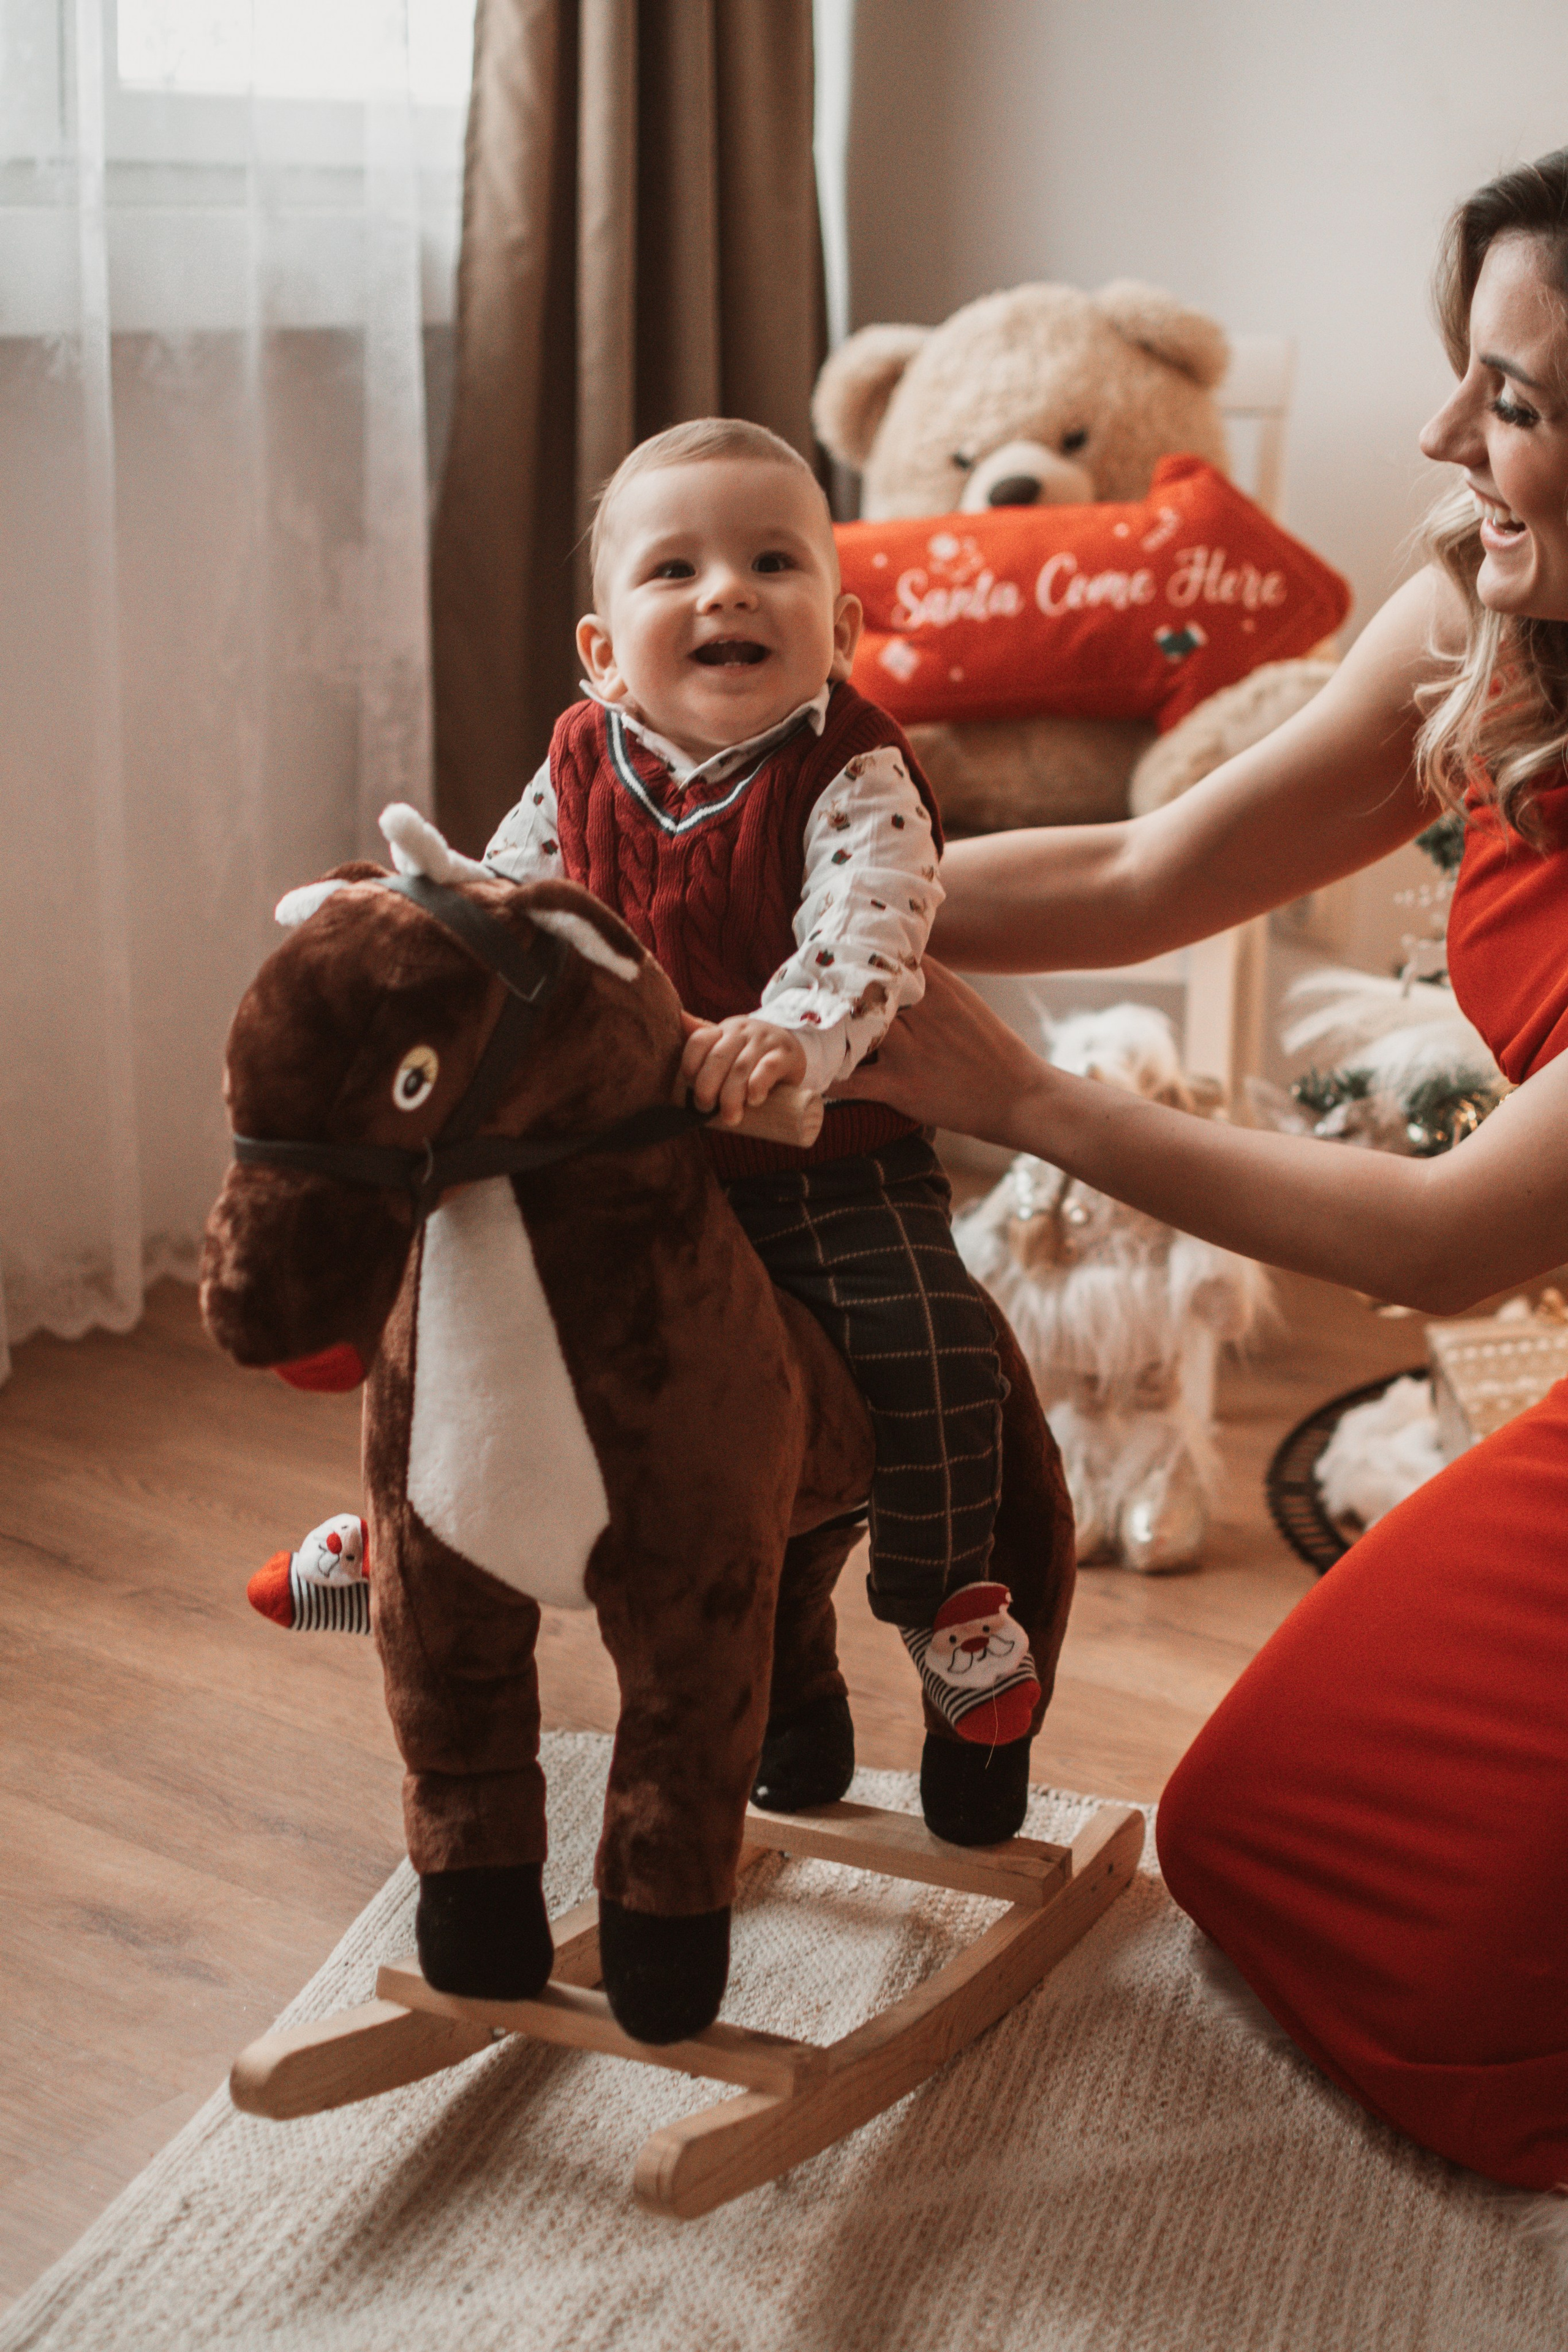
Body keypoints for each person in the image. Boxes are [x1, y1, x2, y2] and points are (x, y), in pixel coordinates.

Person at [833, 149, 1568, 2193]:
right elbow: (1170, 866)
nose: (1443, 435)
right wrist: (817, 893)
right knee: (1256, 1843)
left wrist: (1035, 1100)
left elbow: (1452, 1231)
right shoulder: (1479, 604)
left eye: (1514, 401)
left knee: (1458, 2030)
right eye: (1467, 373)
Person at [252, 416, 1054, 1845]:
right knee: (450, 1281)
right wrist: (403, 934)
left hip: (821, 1161)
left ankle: (949, 1607)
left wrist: (795, 1031)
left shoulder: (857, 775)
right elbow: (509, 913)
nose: (725, 593)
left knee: (930, 1342)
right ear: (603, 649)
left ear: (842, 623)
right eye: (673, 568)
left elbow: (870, 932)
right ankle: (399, 1537)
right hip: (635, 1164)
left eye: (770, 562)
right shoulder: (577, 762)